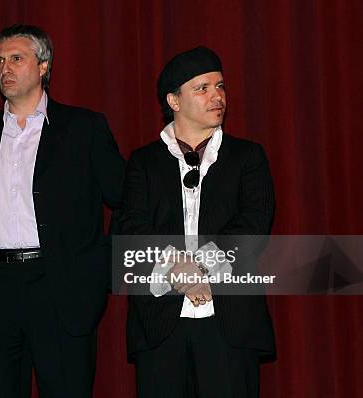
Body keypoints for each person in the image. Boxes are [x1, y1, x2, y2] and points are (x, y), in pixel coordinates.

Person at [0, 25, 125, 398]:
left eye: (16, 58)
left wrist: (100, 267)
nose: (5, 68)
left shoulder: (84, 128)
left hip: (60, 284)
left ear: (44, 65)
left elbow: (126, 199)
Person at [119, 46, 276, 397]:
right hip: (161, 322)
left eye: (220, 87)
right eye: (202, 88)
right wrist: (177, 269)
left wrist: (200, 267)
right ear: (174, 101)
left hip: (229, 322)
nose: (216, 96)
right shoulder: (143, 162)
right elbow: (130, 228)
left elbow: (253, 224)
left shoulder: (247, 156)